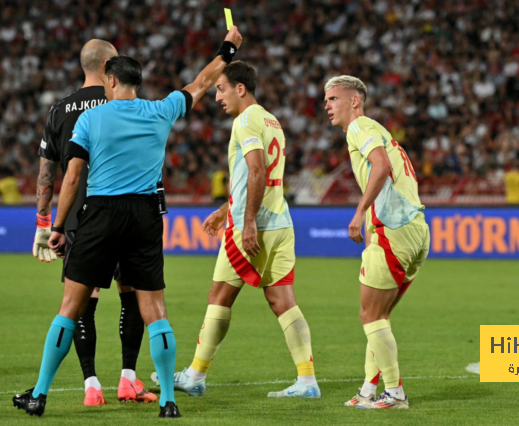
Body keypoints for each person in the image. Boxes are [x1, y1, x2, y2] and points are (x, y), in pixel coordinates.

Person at [12, 27, 243, 418]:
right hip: (146, 215)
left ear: (112, 80)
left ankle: (40, 394)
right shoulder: (161, 110)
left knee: (71, 306)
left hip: (100, 214)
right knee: (155, 308)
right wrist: (228, 49)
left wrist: (56, 226)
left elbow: (71, 177)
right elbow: (202, 83)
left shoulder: (92, 118)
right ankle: (168, 401)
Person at [160, 61, 320, 399]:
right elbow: (257, 177)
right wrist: (223, 209)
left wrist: (246, 222)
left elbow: (257, 170)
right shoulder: (271, 120)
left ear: (240, 88)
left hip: (254, 225)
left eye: (221, 88)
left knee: (219, 296)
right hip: (280, 222)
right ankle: (307, 381)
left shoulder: (245, 121)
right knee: (282, 301)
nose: (217, 96)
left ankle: (195, 375)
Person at [32, 39, 154, 406]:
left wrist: (44, 222)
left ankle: (91, 386)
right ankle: (129, 379)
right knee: (130, 292)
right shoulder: (124, 103)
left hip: (76, 218)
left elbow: (47, 172)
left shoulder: (58, 109)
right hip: (125, 211)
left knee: (82, 299)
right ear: (110, 67)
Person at [324, 76, 430, 409]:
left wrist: (360, 211)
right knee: (378, 317)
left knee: (370, 315)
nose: (326, 105)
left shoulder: (360, 127)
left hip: (394, 230)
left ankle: (395, 392)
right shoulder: (378, 130)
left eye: (332, 98)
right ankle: (369, 391)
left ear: (354, 101)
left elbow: (381, 166)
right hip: (415, 230)